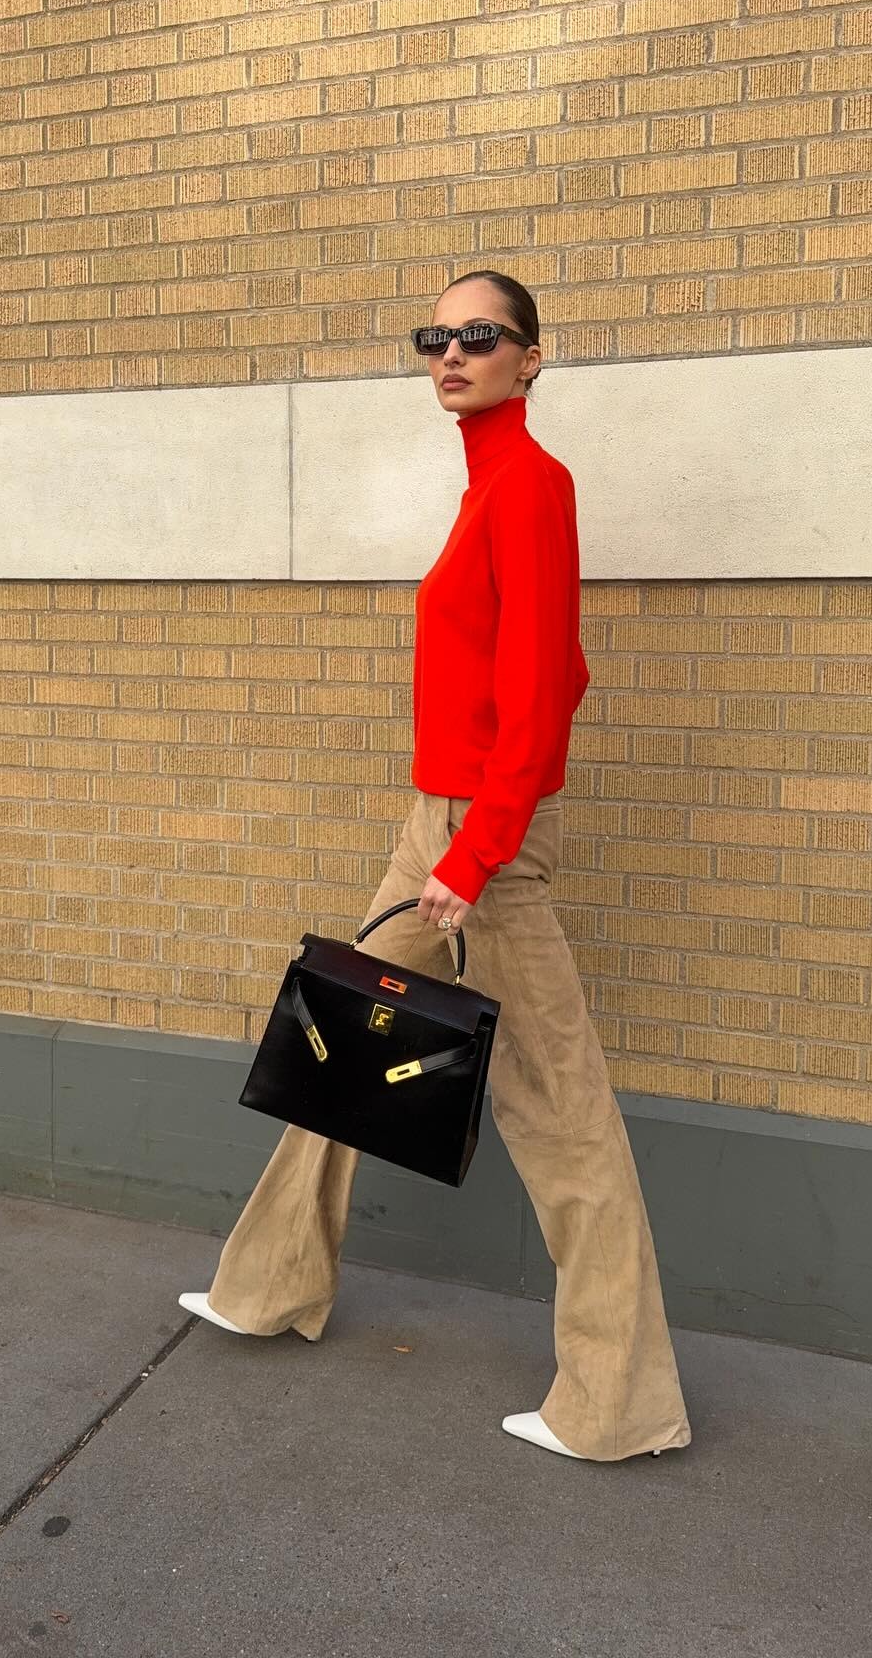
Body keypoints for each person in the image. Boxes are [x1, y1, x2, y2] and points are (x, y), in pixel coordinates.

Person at [179, 271, 692, 1463]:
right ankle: (269, 1287)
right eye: (435, 338)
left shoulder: (532, 485)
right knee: (340, 1041)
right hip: (440, 821)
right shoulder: (483, 489)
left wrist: (477, 850)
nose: (452, 354)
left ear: (530, 358)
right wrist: (445, 831)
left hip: (481, 845)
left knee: (562, 1116)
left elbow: (547, 691)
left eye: (481, 336)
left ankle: (620, 1408)